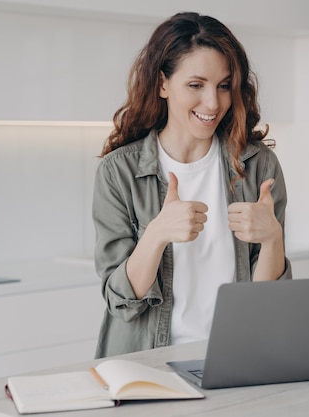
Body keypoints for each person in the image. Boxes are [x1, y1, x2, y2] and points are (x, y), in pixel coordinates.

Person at [92, 11, 292, 358]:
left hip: (237, 356)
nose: (213, 103)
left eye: (224, 86)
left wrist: (272, 239)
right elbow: (121, 301)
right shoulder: (118, 172)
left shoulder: (258, 165)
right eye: (196, 85)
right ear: (162, 84)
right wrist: (156, 234)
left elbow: (268, 306)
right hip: (148, 364)